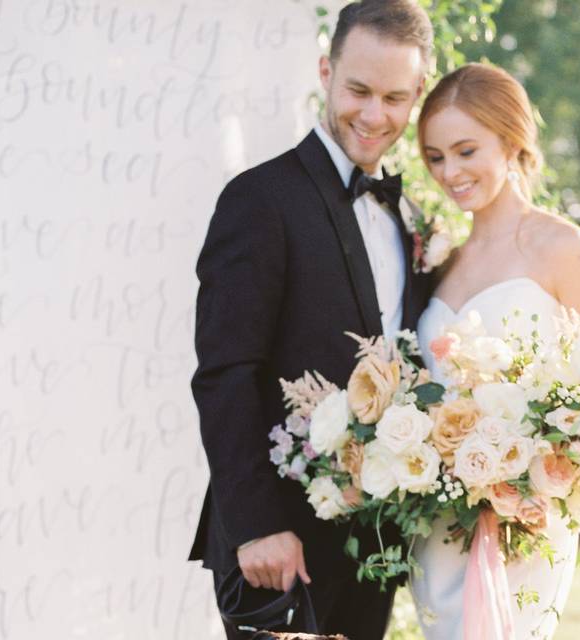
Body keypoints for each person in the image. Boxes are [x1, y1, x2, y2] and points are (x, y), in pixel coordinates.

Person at [189, 2, 435, 638]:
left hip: (370, 545)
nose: (374, 115)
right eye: (358, 90)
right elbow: (225, 373)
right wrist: (257, 525)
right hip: (278, 548)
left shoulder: (409, 218)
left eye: (394, 97)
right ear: (326, 70)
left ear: (417, 96)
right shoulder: (259, 198)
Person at [411, 63, 580, 639]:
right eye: (435, 157)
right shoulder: (441, 262)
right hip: (440, 524)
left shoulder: (559, 246)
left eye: (465, 150)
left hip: (526, 519)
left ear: (511, 141)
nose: (449, 172)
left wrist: (533, 464)